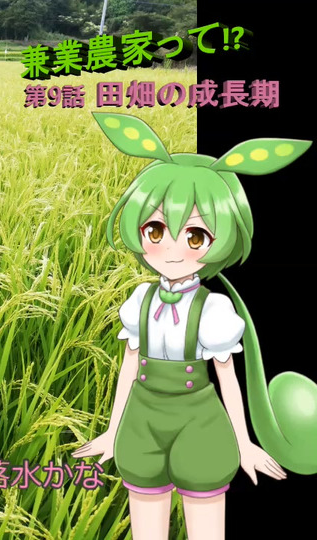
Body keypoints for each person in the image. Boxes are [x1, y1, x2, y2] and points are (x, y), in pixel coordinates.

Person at [72, 112, 316, 539]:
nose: (171, 250)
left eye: (195, 237)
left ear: (221, 240)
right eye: (155, 230)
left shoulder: (214, 310)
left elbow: (227, 378)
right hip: (141, 423)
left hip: (199, 424)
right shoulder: (140, 301)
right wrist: (112, 431)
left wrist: (244, 444)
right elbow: (129, 365)